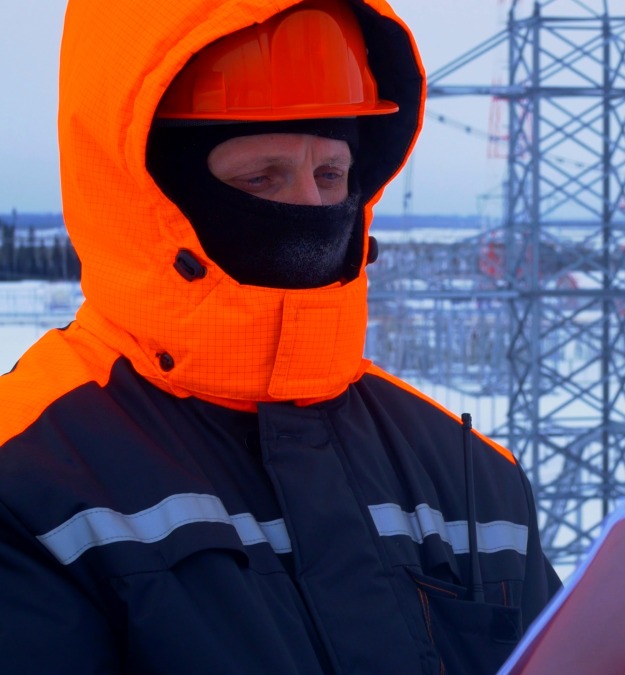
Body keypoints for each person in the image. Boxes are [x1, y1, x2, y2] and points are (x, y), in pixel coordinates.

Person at [0, 0, 560, 672]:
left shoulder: (471, 476)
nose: (311, 210)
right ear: (154, 195)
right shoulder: (33, 480)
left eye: (331, 174)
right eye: (261, 178)